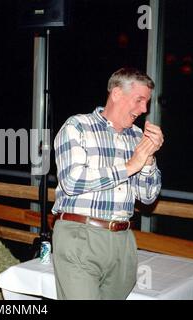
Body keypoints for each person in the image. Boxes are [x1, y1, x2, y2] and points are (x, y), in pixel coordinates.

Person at [52, 67, 163, 299]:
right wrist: (131, 166)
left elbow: (148, 196)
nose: (144, 109)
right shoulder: (77, 126)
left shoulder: (137, 137)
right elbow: (72, 181)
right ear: (116, 94)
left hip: (123, 241)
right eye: (139, 100)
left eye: (147, 102)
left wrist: (149, 157)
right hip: (79, 235)